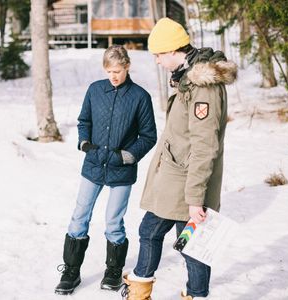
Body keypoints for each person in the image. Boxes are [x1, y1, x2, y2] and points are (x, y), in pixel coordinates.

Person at [122, 18, 237, 299]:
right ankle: (143, 287)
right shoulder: (188, 78)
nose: (158, 62)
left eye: (159, 55)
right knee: (171, 237)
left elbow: (205, 144)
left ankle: (165, 291)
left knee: (181, 241)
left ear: (174, 50)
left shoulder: (202, 87)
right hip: (176, 179)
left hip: (186, 184)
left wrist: (195, 197)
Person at [54, 45, 157, 295]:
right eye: (110, 71)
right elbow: (84, 121)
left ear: (127, 67)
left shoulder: (140, 97)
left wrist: (126, 156)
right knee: (79, 216)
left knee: (113, 221)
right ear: (104, 69)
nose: (114, 76)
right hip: (93, 165)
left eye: (119, 71)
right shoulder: (94, 90)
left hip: (121, 169)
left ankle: (113, 270)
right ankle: (71, 271)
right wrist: (85, 143)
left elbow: (148, 135)